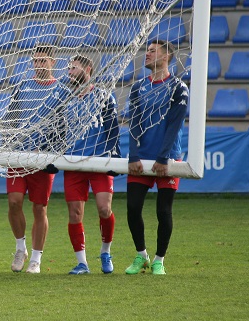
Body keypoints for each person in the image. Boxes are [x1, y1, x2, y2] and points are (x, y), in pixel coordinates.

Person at [5, 45, 71, 274]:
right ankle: (20, 248)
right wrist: (8, 146)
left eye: (43, 61)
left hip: (44, 158)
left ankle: (36, 258)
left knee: (39, 208)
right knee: (14, 202)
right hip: (20, 155)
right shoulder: (22, 87)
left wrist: (52, 151)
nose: (39, 64)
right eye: (36, 61)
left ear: (53, 62)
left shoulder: (61, 90)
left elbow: (65, 124)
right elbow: (11, 120)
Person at [125, 40, 188, 275]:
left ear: (167, 56)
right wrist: (133, 155)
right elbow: (133, 123)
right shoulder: (138, 87)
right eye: (147, 51)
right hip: (141, 157)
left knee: (163, 211)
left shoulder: (178, 87)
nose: (147, 54)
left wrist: (163, 158)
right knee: (132, 207)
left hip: (168, 158)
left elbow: (174, 125)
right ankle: (142, 256)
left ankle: (160, 260)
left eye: (153, 51)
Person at [61, 55, 120, 275]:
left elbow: (113, 129)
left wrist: (115, 157)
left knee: (104, 208)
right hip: (73, 163)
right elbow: (58, 130)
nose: (69, 72)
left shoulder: (104, 96)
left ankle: (105, 252)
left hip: (99, 161)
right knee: (75, 213)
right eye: (68, 68)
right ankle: (82, 263)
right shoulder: (65, 99)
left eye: (74, 68)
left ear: (87, 69)